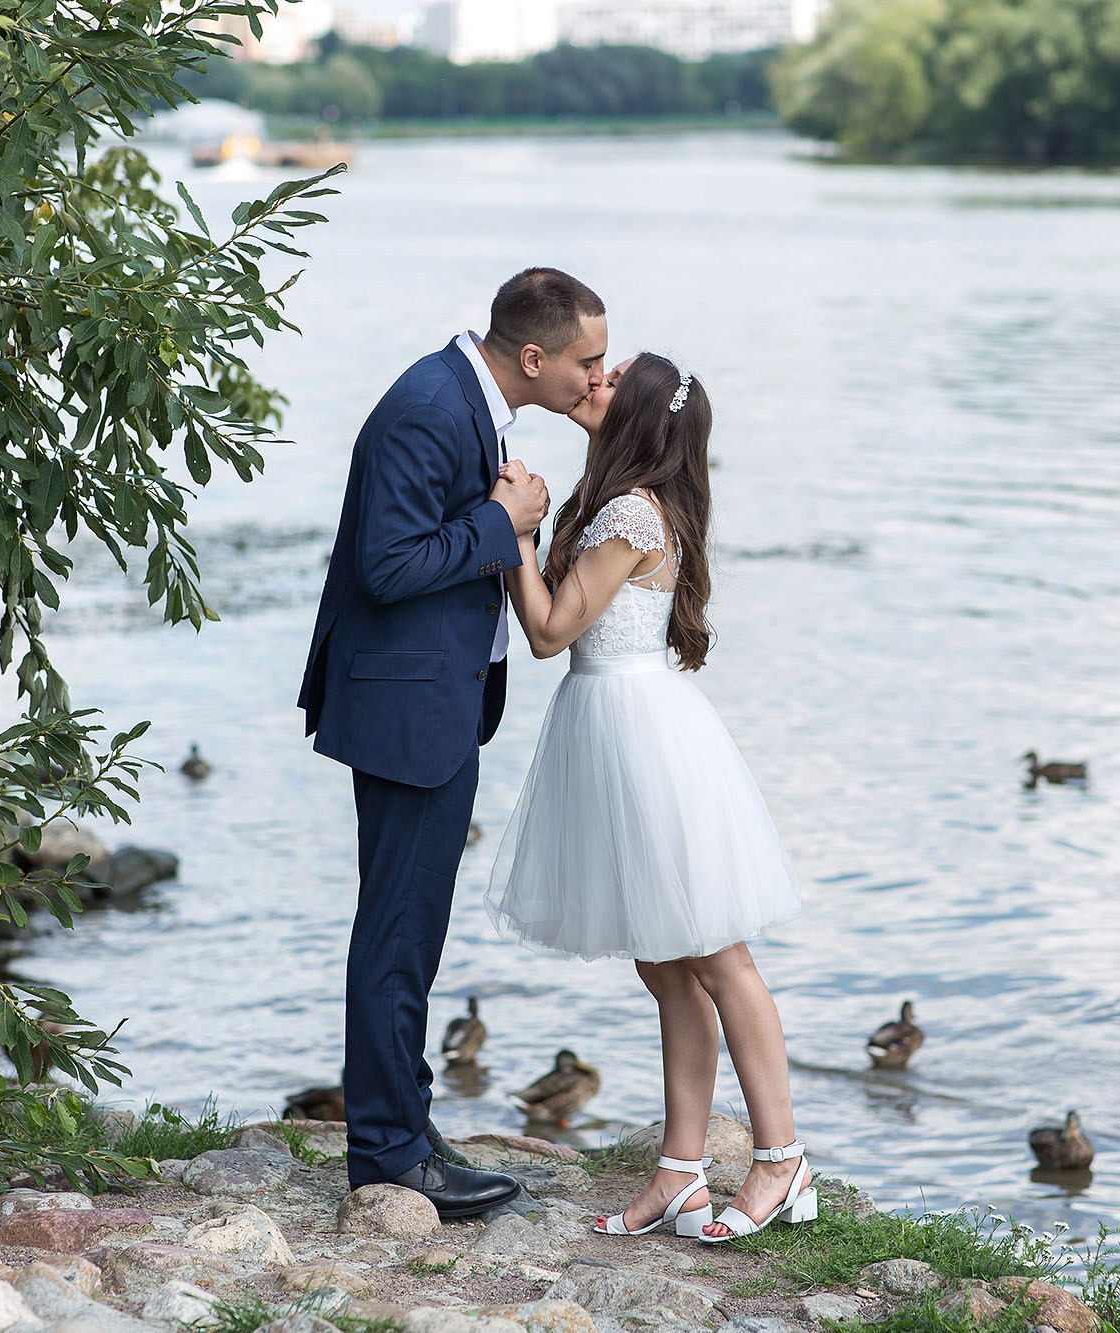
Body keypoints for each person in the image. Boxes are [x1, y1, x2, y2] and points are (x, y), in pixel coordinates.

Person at [297, 268, 607, 1218]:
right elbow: (386, 567)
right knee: (396, 935)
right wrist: (502, 524)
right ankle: (390, 1154)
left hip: (433, 706)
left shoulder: (468, 401)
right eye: (587, 361)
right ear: (533, 357)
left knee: (411, 932)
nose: (595, 377)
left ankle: (405, 1123)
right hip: (406, 712)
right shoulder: (431, 408)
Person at [486, 354, 813, 1242]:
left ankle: (781, 1158)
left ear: (636, 411)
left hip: (642, 737)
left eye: (614, 374)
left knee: (716, 954)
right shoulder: (619, 498)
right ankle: (680, 1171)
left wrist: (514, 534)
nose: (596, 377)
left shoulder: (632, 510)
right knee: (664, 963)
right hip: (611, 730)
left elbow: (549, 631)